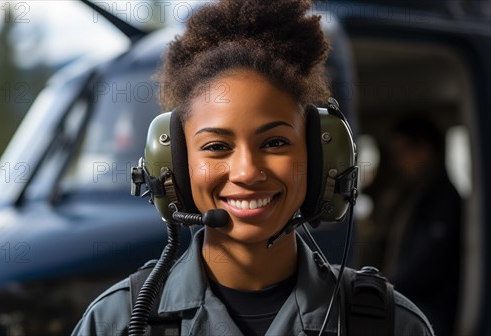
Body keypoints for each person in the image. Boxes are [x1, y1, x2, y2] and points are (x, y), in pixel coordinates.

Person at [72, 1, 434, 335]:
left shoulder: (391, 324)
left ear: (320, 156)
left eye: (275, 143)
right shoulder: (114, 322)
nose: (246, 172)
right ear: (173, 167)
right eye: (216, 147)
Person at [381, 116, 462, 336]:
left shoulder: (442, 196)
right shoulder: (414, 192)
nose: (397, 162)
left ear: (424, 149)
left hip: (430, 308)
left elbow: (428, 260)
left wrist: (386, 290)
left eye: (402, 152)